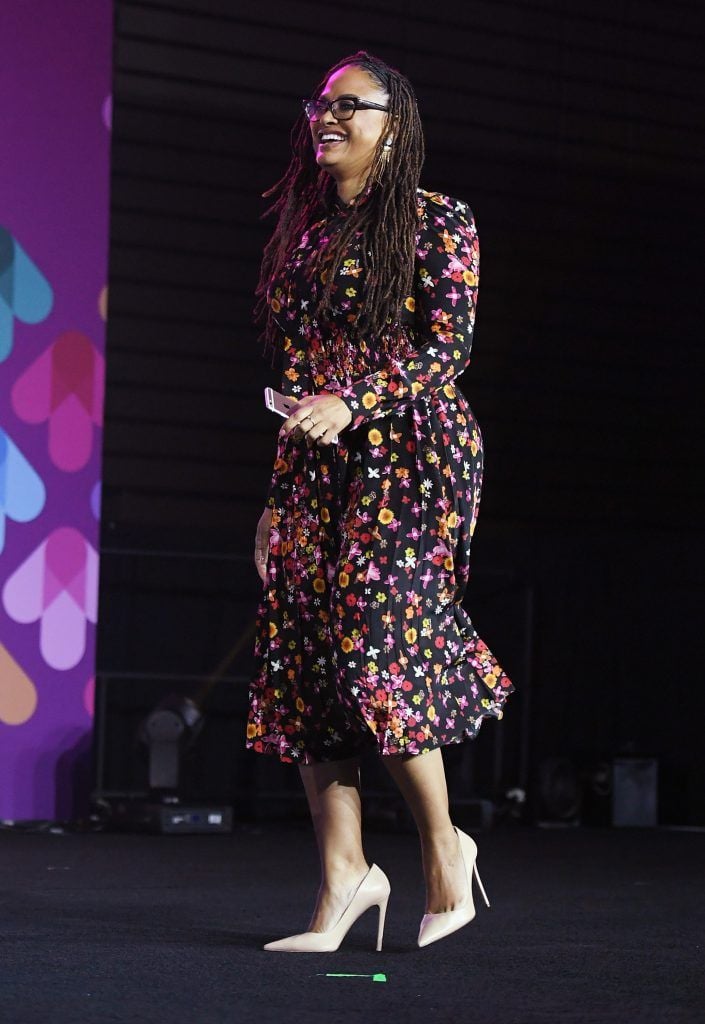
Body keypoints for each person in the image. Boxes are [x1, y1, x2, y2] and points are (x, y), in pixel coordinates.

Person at [247, 51, 515, 952]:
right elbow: (291, 381)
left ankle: (446, 851)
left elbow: (449, 349)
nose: (325, 116)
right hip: (316, 464)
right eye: (318, 103)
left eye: (348, 105)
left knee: (377, 638)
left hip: (411, 452)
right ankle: (344, 881)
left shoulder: (440, 221)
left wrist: (356, 401)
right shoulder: (306, 236)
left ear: (392, 125)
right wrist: (276, 502)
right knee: (309, 661)